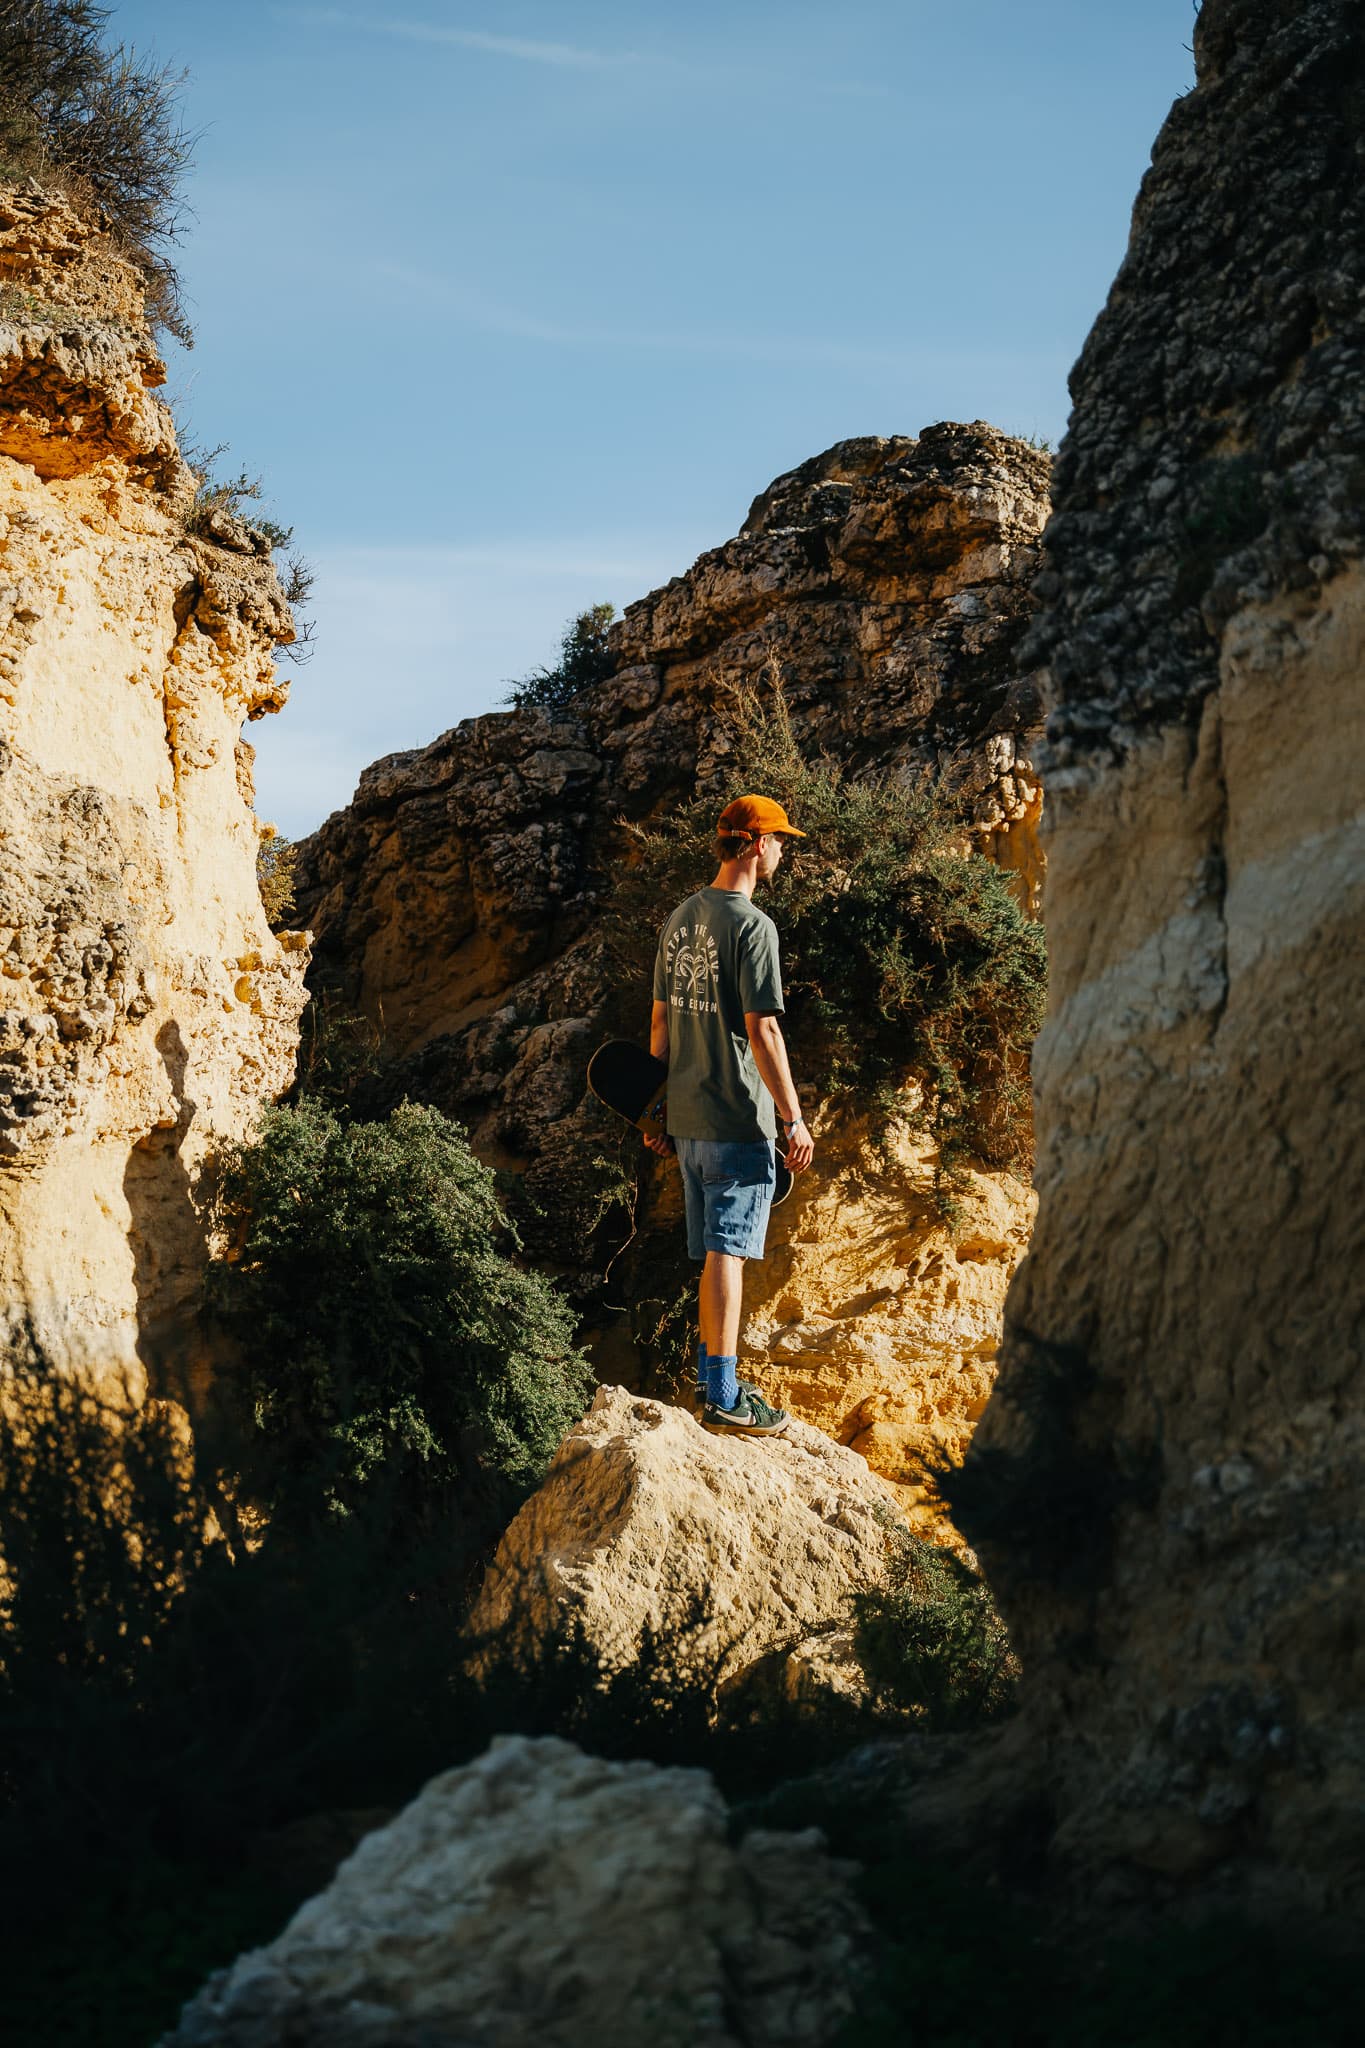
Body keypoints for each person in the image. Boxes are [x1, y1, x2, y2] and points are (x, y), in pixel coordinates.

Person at [646, 793, 815, 1434]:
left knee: (718, 1254)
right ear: (756, 844)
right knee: (729, 1254)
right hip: (737, 1119)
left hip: (687, 1122)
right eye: (779, 841)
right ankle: (722, 1394)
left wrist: (655, 1113)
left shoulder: (680, 917)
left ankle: (715, 1384)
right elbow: (764, 1029)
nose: (783, 852)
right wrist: (792, 1118)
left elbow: (660, 1024)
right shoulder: (753, 926)